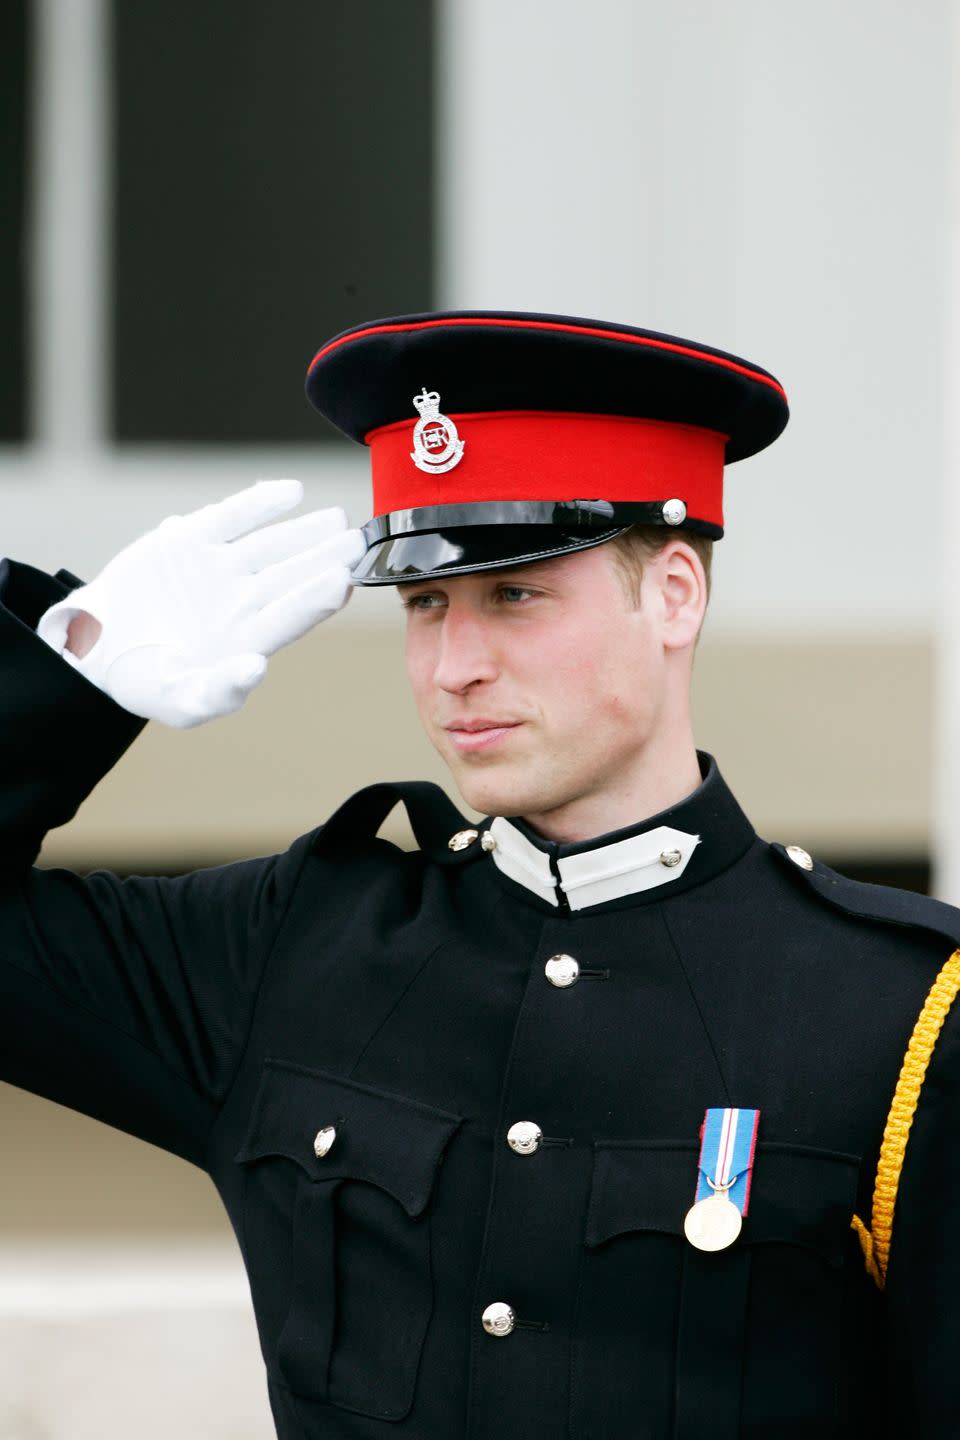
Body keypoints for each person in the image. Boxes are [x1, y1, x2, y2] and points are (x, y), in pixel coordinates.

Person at [1, 309, 958, 1439]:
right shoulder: (291, 947)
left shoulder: (902, 1013)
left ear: (676, 596)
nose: (455, 666)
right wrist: (65, 676)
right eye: (423, 605)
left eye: (516, 596)